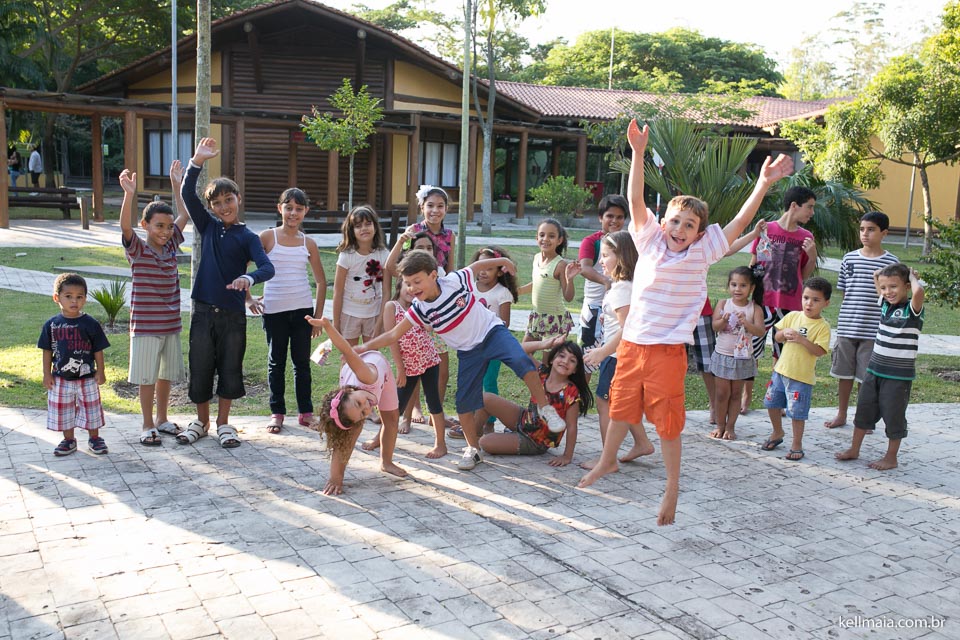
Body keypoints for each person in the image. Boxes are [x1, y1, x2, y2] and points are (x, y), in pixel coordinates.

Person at [578, 119, 794, 527]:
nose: (680, 229)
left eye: (690, 225)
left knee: (668, 423)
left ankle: (672, 486)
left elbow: (739, 222)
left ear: (699, 234)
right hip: (632, 347)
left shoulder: (702, 253)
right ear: (664, 223)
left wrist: (763, 184)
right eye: (675, 221)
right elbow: (636, 199)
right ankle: (607, 460)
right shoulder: (648, 240)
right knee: (621, 408)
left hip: (666, 352)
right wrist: (638, 153)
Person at [354, 249, 570, 471]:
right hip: (468, 352)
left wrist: (505, 260)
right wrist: (364, 346)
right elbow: (393, 334)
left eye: (417, 281)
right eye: (408, 284)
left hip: (491, 332)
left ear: (433, 275)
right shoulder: (420, 309)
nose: (412, 288)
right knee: (463, 404)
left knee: (522, 361)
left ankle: (546, 409)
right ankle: (473, 450)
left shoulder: (453, 281)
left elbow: (476, 266)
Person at [178, 137, 275, 448]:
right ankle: (201, 422)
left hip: (233, 315)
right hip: (203, 311)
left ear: (238, 199)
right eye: (217, 203)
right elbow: (186, 194)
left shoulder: (248, 237)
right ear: (211, 207)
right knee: (200, 366)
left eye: (228, 199)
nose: (224, 206)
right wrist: (197, 162)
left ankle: (223, 424)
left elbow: (267, 268)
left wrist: (248, 277)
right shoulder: (207, 226)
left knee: (230, 368)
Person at [119, 162, 189, 446]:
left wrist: (176, 185)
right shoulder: (138, 249)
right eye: (159, 226)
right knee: (147, 377)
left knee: (165, 376)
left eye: (169, 227)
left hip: (170, 324)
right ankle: (147, 424)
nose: (166, 231)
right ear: (145, 225)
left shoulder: (171, 246)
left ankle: (162, 418)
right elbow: (125, 226)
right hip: (146, 326)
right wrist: (129, 194)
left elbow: (184, 214)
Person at [247, 188, 327, 434]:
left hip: (302, 310)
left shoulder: (308, 243)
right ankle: (277, 413)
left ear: (305, 211)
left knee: (302, 363)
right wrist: (248, 298)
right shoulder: (266, 237)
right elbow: (243, 265)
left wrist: (317, 318)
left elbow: (321, 282)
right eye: (288, 207)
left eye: (298, 209)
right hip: (274, 311)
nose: (293, 213)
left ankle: (306, 413)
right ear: (279, 208)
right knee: (276, 362)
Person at [305, 317, 407, 496]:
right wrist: (335, 479)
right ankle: (338, 474)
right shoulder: (352, 404)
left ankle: (386, 462)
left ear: (349, 391)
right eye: (363, 413)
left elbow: (346, 349)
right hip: (352, 383)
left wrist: (328, 325)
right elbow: (343, 442)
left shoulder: (364, 376)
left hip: (379, 368)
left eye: (359, 404)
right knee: (348, 434)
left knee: (391, 419)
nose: (366, 407)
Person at [836, 264, 924, 470]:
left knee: (894, 416)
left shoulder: (912, 310)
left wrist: (912, 277)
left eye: (893, 287)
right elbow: (879, 281)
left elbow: (919, 291)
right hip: (874, 371)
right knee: (863, 410)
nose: (887, 292)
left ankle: (891, 458)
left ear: (906, 286)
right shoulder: (885, 305)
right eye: (884, 288)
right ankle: (854, 449)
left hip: (898, 377)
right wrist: (879, 278)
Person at [743, 186, 818, 413]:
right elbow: (755, 264)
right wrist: (748, 293)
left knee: (783, 353)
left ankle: (778, 398)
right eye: (809, 207)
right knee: (752, 351)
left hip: (790, 306)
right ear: (794, 205)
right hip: (762, 302)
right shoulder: (767, 229)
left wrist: (812, 255)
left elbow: (803, 275)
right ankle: (746, 397)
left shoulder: (806, 237)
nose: (812, 212)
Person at [581, 230, 651, 469]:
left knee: (605, 404)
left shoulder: (622, 289)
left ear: (621, 257)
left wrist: (602, 352)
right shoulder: (625, 286)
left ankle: (607, 459)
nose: (601, 261)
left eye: (606, 255)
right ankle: (641, 443)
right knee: (622, 402)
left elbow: (628, 329)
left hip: (617, 356)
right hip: (619, 354)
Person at [824, 211, 899, 428]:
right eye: (862, 229)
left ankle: (862, 419)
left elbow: (893, 297)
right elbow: (845, 292)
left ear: (884, 233)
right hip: (847, 327)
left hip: (874, 331)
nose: (865, 234)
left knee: (866, 378)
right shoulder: (849, 258)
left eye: (871, 230)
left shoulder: (891, 262)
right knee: (844, 374)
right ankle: (841, 414)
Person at [362, 277, 447, 458]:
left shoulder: (419, 306)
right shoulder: (391, 307)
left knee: (434, 402)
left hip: (429, 360)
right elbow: (392, 339)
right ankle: (379, 438)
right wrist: (400, 368)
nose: (411, 290)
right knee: (396, 407)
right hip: (408, 366)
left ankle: (440, 444)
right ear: (399, 286)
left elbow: (429, 328)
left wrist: (424, 312)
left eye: (416, 287)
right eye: (407, 285)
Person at [478, 340, 592, 466]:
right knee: (485, 398)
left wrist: (567, 456)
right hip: (523, 419)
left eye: (572, 360)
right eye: (562, 356)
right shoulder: (542, 373)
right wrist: (544, 344)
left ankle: (504, 438)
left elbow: (572, 426)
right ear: (552, 359)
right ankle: (473, 437)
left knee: (485, 442)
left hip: (535, 441)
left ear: (575, 370)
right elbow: (518, 349)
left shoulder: (571, 392)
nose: (565, 361)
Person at [760, 277, 832, 461]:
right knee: (771, 403)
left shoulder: (822, 327)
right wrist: (783, 333)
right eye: (806, 298)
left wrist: (801, 340)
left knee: (797, 412)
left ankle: (797, 444)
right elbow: (777, 337)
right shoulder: (793, 316)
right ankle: (777, 432)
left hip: (801, 378)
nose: (809, 303)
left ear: (826, 303)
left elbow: (820, 351)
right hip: (781, 371)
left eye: (816, 300)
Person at [38, 273, 110, 456]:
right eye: (68, 296)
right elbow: (47, 351)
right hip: (60, 378)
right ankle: (69, 440)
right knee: (64, 410)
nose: (74, 301)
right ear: (57, 298)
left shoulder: (90, 324)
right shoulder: (51, 325)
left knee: (91, 409)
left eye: (79, 297)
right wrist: (46, 374)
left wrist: (101, 371)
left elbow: (98, 350)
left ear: (85, 299)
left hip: (87, 378)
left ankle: (95, 438)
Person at [384, 228, 446, 430]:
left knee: (435, 382)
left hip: (433, 338)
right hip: (409, 352)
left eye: (429, 248)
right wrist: (400, 241)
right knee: (408, 385)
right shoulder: (408, 274)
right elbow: (389, 266)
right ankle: (407, 417)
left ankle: (435, 424)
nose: (425, 251)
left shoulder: (438, 274)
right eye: (420, 247)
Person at [466, 245, 518, 439]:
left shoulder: (502, 293)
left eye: (489, 268)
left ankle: (489, 421)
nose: (483, 271)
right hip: (471, 345)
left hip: (493, 346)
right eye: (480, 266)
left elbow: (505, 322)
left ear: (499, 271)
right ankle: (473, 419)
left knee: (488, 381)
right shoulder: (470, 288)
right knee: (472, 381)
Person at [710, 266, 766, 440]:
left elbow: (760, 332)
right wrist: (723, 320)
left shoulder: (755, 309)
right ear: (729, 285)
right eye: (734, 284)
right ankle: (720, 425)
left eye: (743, 285)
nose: (737, 289)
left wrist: (746, 323)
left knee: (735, 394)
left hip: (742, 358)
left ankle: (730, 427)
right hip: (722, 356)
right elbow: (715, 327)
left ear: (752, 288)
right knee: (721, 394)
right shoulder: (723, 304)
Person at [578, 195, 629, 361]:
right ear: (600, 217)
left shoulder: (627, 243)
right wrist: (606, 281)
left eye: (619, 217)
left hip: (620, 308)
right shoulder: (591, 241)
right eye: (610, 216)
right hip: (595, 306)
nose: (614, 221)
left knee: (615, 353)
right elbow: (584, 268)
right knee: (587, 356)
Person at [520, 218, 580, 355]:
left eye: (551, 236)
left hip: (554, 320)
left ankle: (543, 368)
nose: (545, 239)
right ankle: (536, 368)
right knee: (523, 354)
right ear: (536, 238)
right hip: (537, 317)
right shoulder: (536, 258)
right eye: (542, 235)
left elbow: (568, 297)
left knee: (548, 362)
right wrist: (517, 291)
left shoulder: (560, 264)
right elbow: (537, 283)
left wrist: (570, 279)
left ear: (559, 240)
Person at [332, 204, 388, 347]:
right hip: (349, 314)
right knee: (349, 356)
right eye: (358, 226)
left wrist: (380, 322)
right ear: (351, 231)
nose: (364, 228)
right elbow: (337, 292)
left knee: (371, 356)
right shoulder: (346, 256)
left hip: (374, 314)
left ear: (375, 226)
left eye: (368, 224)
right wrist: (336, 324)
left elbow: (387, 292)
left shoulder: (383, 254)